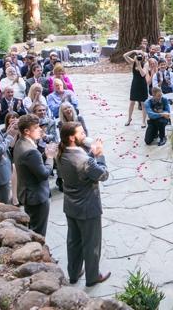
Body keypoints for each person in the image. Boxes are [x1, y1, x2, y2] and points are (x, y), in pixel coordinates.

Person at [57, 121, 111, 286]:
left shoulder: (61, 153)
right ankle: (93, 276)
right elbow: (103, 175)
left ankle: (73, 273)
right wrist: (100, 155)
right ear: (72, 138)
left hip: (70, 205)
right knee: (91, 242)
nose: (85, 136)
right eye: (81, 134)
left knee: (73, 241)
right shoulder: (83, 160)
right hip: (87, 206)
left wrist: (91, 156)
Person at [13, 114, 56, 237]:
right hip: (36, 196)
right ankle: (40, 254)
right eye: (36, 127)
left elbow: (32, 165)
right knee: (38, 232)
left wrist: (44, 155)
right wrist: (50, 157)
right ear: (27, 131)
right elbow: (44, 174)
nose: (41, 130)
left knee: (33, 228)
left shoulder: (20, 143)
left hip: (28, 194)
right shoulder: (30, 150)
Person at [123, 49, 149, 128]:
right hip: (135, 84)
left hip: (142, 85)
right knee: (132, 103)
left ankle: (143, 121)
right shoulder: (133, 62)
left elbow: (142, 74)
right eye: (139, 56)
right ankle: (129, 118)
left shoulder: (145, 64)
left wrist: (139, 65)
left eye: (142, 56)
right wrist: (134, 51)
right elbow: (125, 56)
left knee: (143, 103)